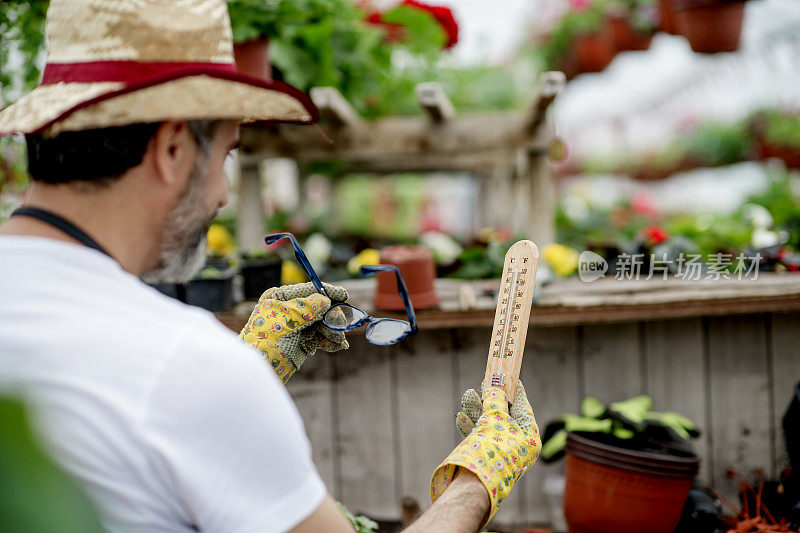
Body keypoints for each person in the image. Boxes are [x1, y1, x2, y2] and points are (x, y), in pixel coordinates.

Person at [0, 1, 541, 532]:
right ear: (170, 148)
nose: (222, 195)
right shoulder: (189, 369)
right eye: (228, 154)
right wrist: (476, 480)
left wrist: (243, 367)